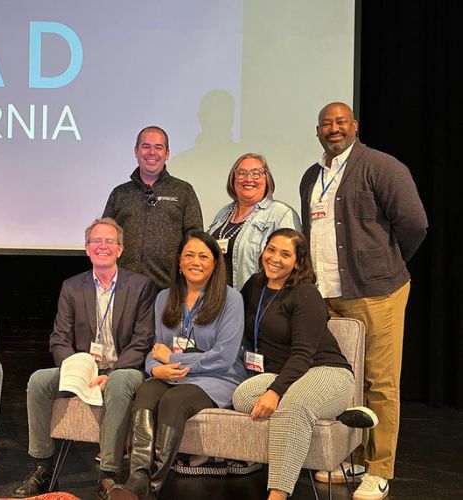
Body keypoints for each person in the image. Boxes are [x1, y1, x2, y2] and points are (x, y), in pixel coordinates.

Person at [300, 102, 427, 499]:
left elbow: (414, 224)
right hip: (327, 297)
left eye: (341, 122)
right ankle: (353, 456)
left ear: (355, 125)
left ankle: (379, 468)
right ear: (317, 131)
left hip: (377, 293)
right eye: (326, 124)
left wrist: (382, 265)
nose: (333, 129)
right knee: (345, 383)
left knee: (381, 382)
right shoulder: (311, 176)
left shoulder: (382, 166)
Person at [11, 218, 157, 500]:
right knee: (39, 380)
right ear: (87, 248)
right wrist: (78, 369)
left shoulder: (141, 286)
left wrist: (112, 371)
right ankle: (42, 467)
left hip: (125, 368)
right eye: (96, 241)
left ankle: (108, 475)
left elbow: (142, 340)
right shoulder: (72, 286)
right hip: (85, 368)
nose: (103, 247)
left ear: (120, 249)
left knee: (118, 382)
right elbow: (59, 337)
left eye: (109, 242)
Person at [110, 230, 247, 500]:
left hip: (218, 378)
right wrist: (153, 369)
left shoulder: (232, 300)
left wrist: (173, 360)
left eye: (203, 256)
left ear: (215, 263)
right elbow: (156, 347)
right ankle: (138, 478)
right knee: (146, 393)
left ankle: (152, 487)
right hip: (172, 375)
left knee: (173, 400)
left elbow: (224, 356)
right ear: (180, 262)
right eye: (189, 255)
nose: (196, 262)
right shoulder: (164, 297)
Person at [233, 228, 359, 500]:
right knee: (242, 396)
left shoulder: (305, 293)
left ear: (298, 262)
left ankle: (277, 495)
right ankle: (327, 411)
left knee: (292, 407)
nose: (275, 258)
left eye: (285, 254)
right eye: (271, 249)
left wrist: (276, 391)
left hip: (325, 370)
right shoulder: (254, 285)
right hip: (286, 375)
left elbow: (302, 354)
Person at [103, 126, 203, 290]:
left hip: (169, 290)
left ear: (167, 153)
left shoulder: (183, 191)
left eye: (158, 147)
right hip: (124, 288)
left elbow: (195, 239)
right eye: (146, 146)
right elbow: (106, 236)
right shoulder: (120, 193)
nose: (152, 152)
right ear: (136, 151)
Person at [207, 153, 301, 290]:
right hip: (219, 303)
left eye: (256, 173)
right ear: (233, 178)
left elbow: (292, 268)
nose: (248, 179)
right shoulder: (223, 213)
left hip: (258, 304)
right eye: (241, 173)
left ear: (267, 178)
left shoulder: (281, 214)